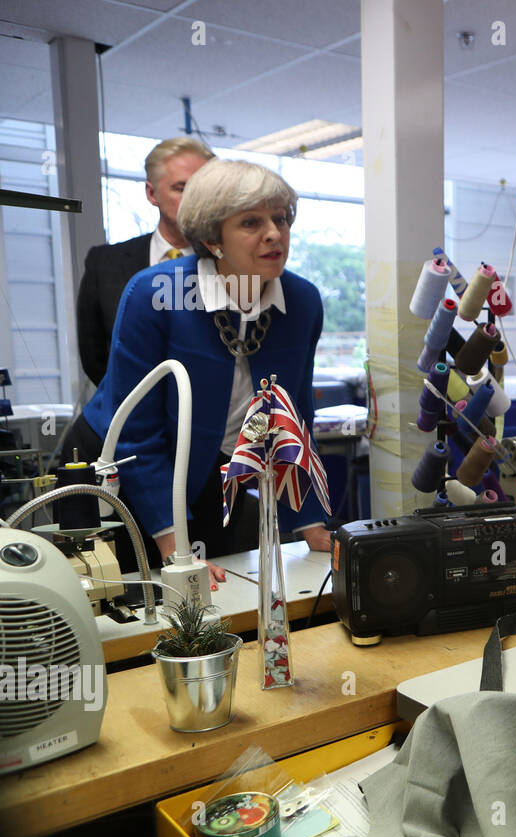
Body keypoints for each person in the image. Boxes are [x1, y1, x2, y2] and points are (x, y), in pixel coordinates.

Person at [64, 159, 331, 588]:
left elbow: (293, 423)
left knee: (223, 598)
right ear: (212, 237)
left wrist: (311, 525)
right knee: (133, 602)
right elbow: (137, 432)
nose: (274, 233)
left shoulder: (302, 300)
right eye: (251, 222)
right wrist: (177, 549)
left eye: (281, 219)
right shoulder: (155, 294)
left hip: (207, 470)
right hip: (121, 470)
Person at [76, 137, 214, 386]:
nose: (195, 201)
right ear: (152, 193)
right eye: (181, 188)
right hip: (130, 413)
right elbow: (94, 357)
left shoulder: (232, 265)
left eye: (203, 190)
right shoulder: (104, 264)